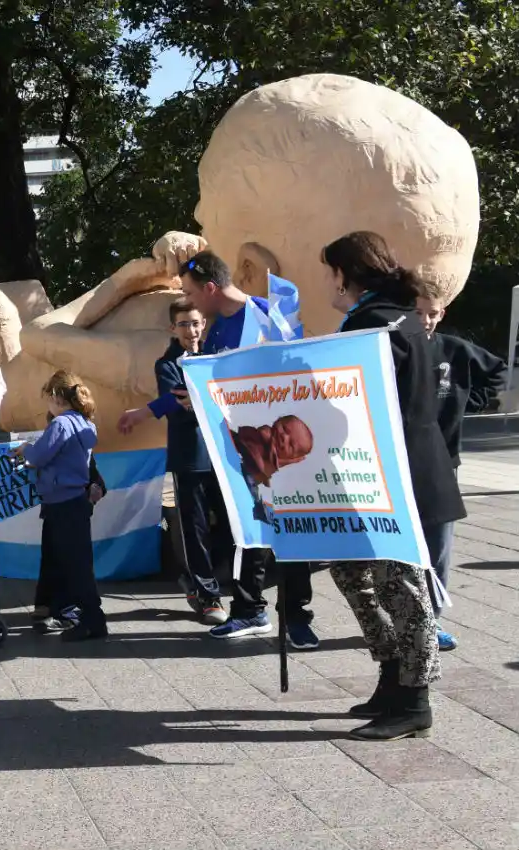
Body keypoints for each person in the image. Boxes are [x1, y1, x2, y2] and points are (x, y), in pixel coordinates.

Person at [326, 231, 461, 740]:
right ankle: (392, 674)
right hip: (401, 469)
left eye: (330, 272)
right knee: (352, 571)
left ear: (346, 273)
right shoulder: (399, 317)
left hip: (392, 474)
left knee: (401, 585)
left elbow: (348, 399)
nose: (327, 283)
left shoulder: (372, 323)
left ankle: (415, 698)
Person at [172, 251, 318, 647]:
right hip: (240, 450)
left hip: (281, 448)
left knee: (288, 532)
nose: (191, 301)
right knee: (248, 531)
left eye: (191, 292)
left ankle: (297, 616)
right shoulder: (217, 329)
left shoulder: (268, 316)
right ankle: (250, 609)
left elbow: (296, 372)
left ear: (211, 288)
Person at [118, 298, 228, 624]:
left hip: (221, 457)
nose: (191, 330)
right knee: (191, 530)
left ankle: (201, 580)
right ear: (172, 328)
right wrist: (201, 397)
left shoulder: (216, 355)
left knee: (228, 527)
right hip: (187, 458)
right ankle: (208, 596)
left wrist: (201, 397)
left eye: (195, 323)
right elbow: (178, 400)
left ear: (203, 324)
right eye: (183, 324)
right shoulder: (166, 364)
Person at [416, 291, 505, 651]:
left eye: (432, 313)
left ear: (442, 312)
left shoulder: (453, 349)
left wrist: (469, 400)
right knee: (404, 552)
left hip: (442, 462)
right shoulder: (395, 349)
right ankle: (403, 618)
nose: (425, 320)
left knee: (438, 547)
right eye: (418, 312)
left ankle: (431, 621)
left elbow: (495, 371)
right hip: (400, 463)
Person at [16, 371, 106, 641]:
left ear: (55, 396)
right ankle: (73, 612)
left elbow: (40, 455)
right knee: (73, 560)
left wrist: (25, 449)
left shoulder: (60, 425)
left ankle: (91, 619)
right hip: (75, 500)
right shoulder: (84, 423)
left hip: (61, 501)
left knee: (73, 564)